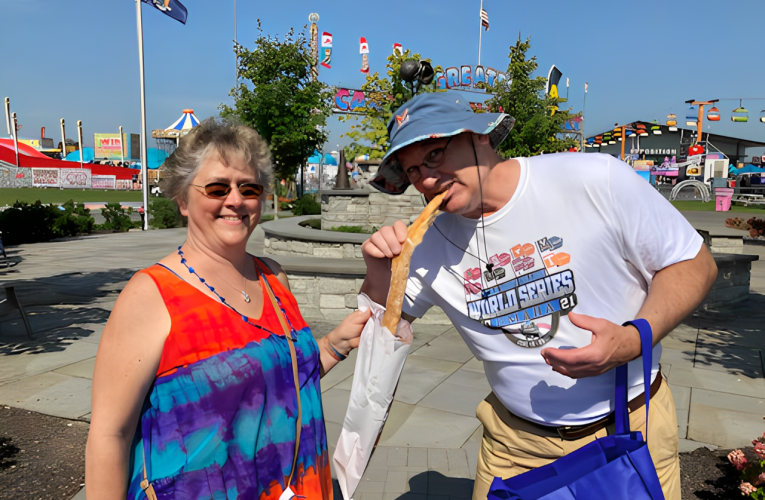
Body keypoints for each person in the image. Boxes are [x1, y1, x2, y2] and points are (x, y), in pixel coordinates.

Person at [360, 91, 717, 500]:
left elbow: (694, 264)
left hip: (631, 424)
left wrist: (634, 339)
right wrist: (378, 273)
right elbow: (380, 331)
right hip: (514, 445)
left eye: (436, 155)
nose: (424, 179)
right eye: (412, 170)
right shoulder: (425, 243)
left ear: (479, 136)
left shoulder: (593, 179)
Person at [86, 118, 370, 499]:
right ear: (183, 199)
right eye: (218, 188)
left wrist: (332, 346)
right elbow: (109, 435)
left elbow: (278, 381)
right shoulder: (151, 296)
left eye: (248, 188)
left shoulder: (273, 278)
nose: (235, 200)